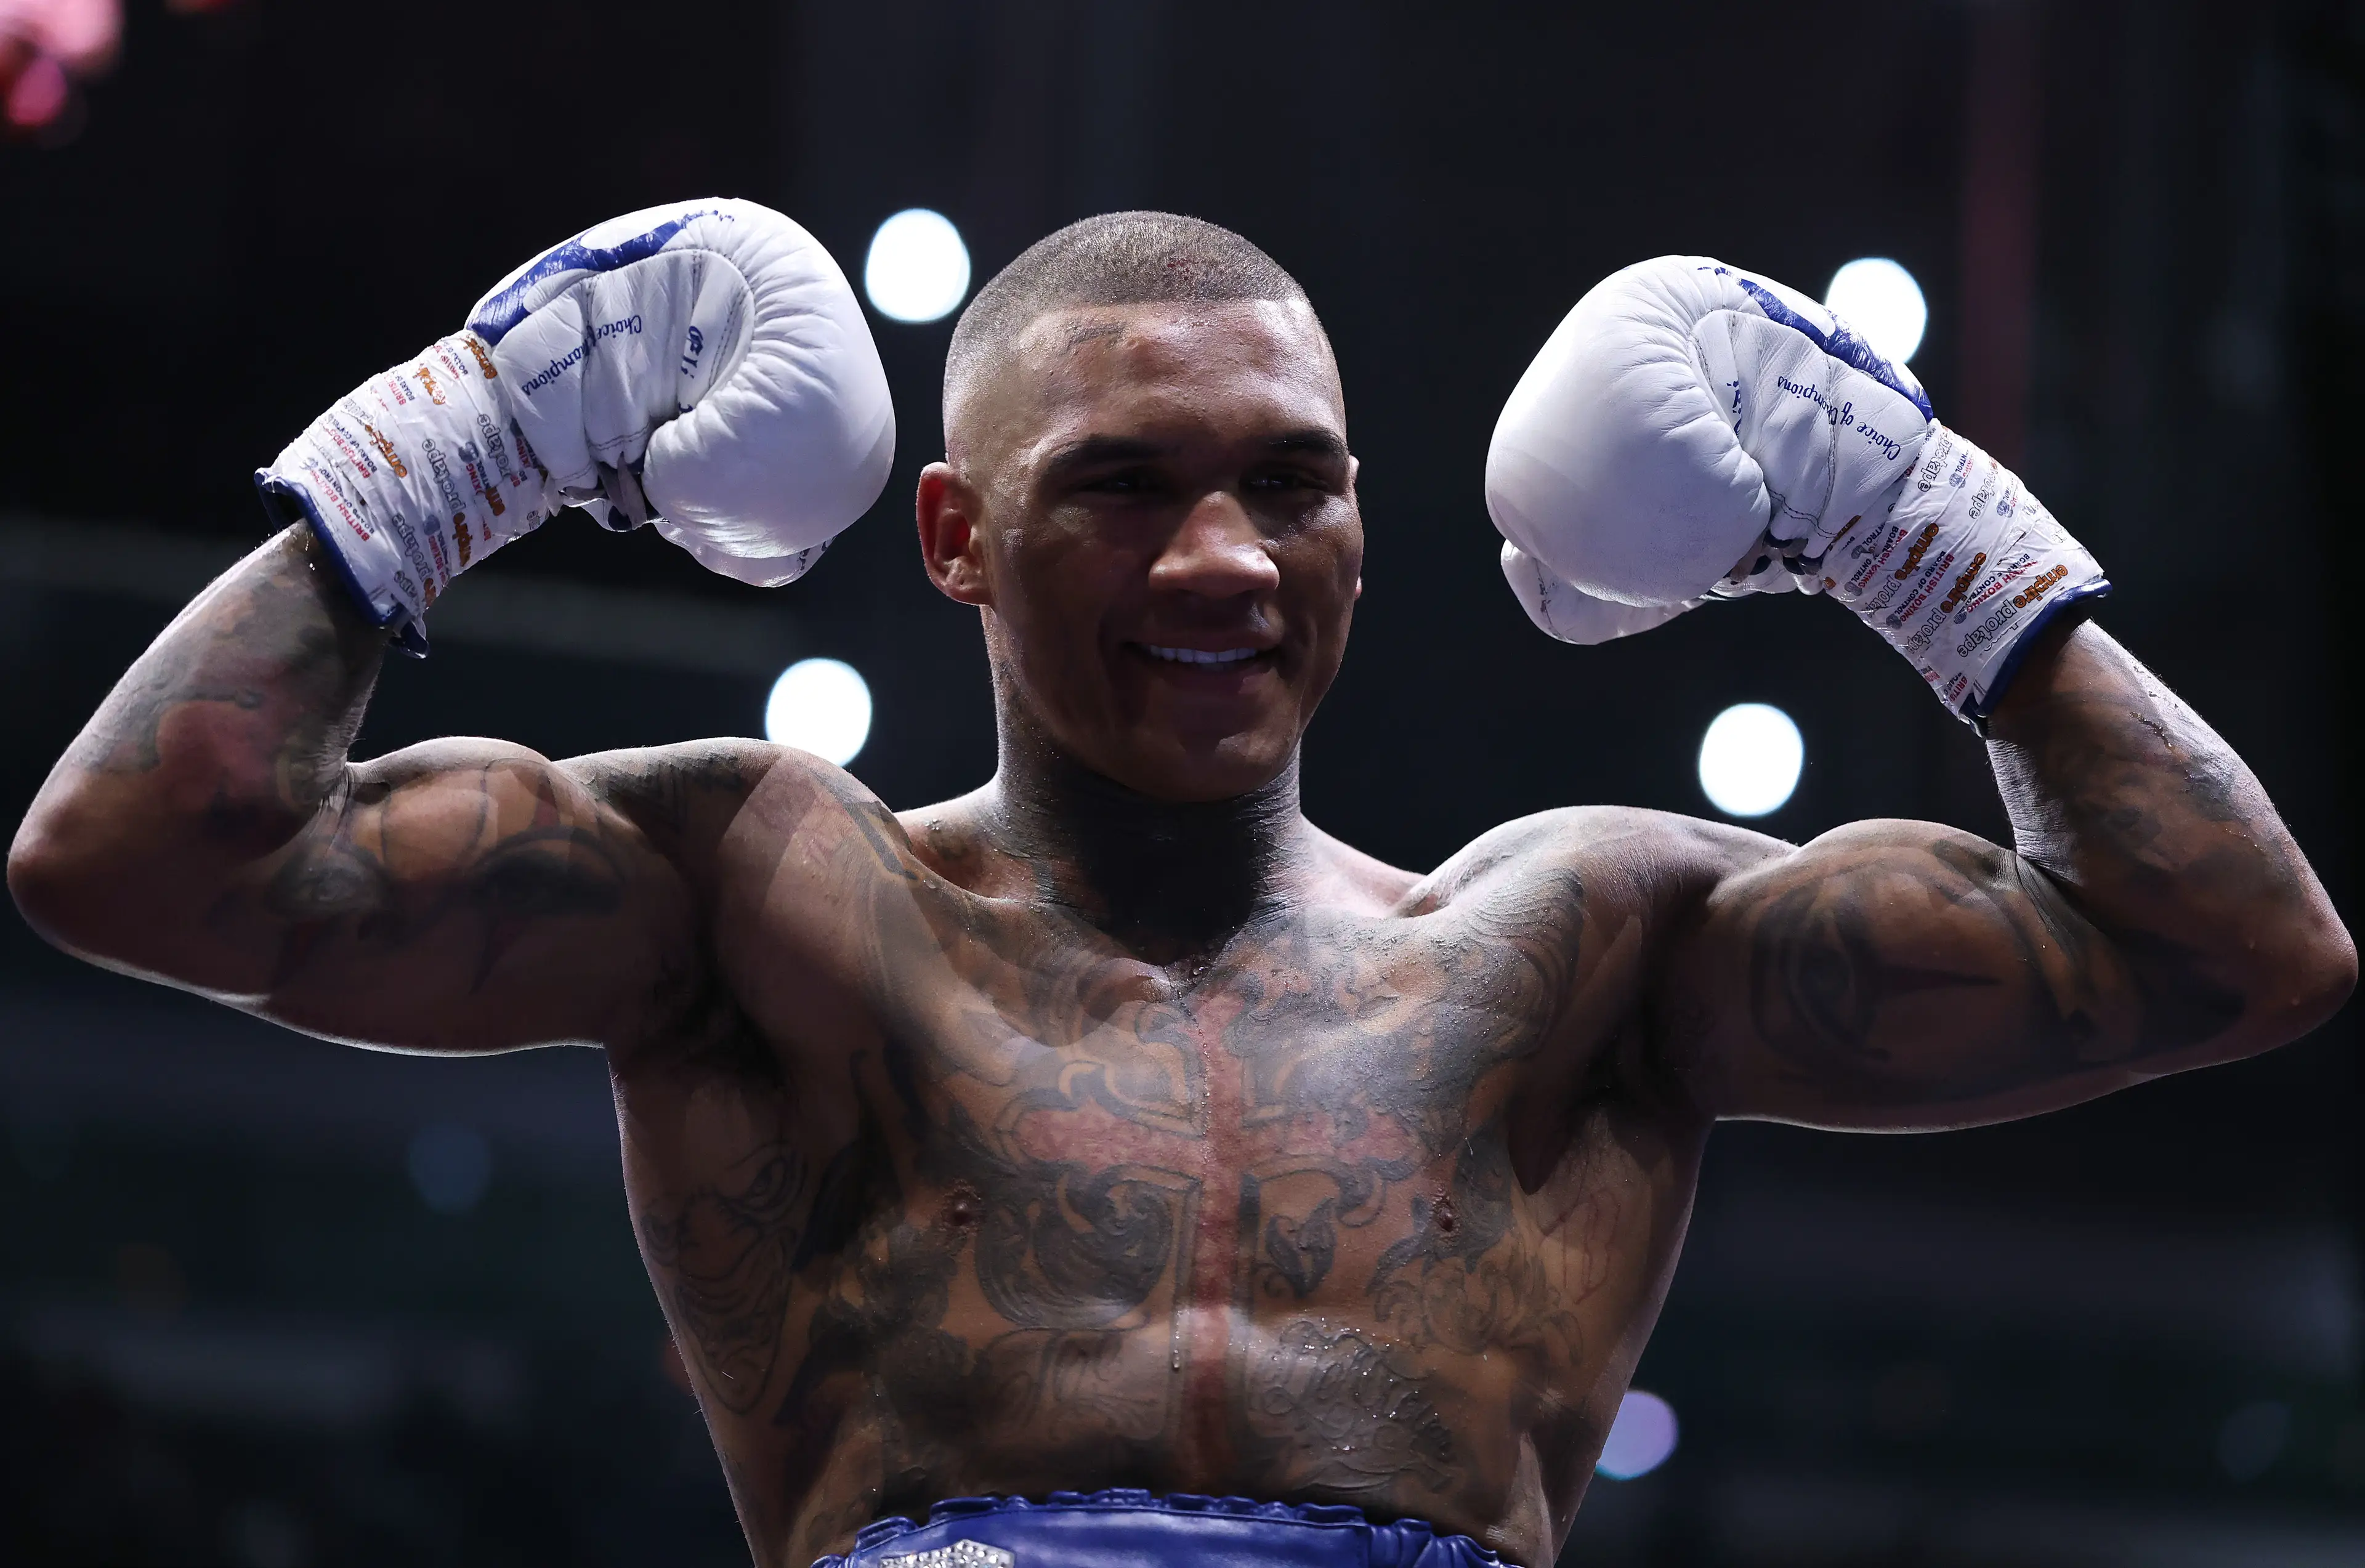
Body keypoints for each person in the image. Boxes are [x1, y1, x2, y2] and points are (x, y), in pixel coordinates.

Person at [8, 202, 2353, 1568]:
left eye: (1292, 482)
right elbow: (140, 855)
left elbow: (2233, 951)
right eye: (1124, 482)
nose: (1223, 556)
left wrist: (1915, 524)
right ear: (958, 539)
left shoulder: (1582, 949)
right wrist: (480, 426)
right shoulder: (769, 902)